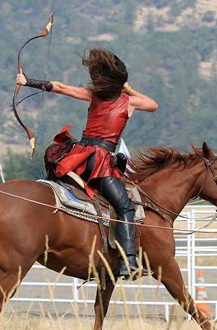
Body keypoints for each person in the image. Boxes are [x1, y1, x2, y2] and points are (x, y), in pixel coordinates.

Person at [15, 48, 158, 279]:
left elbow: (60, 87)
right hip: (100, 163)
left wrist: (27, 81)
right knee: (125, 207)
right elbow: (153, 105)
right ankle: (128, 262)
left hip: (78, 158)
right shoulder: (128, 102)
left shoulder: (93, 96)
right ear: (120, 81)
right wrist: (127, 87)